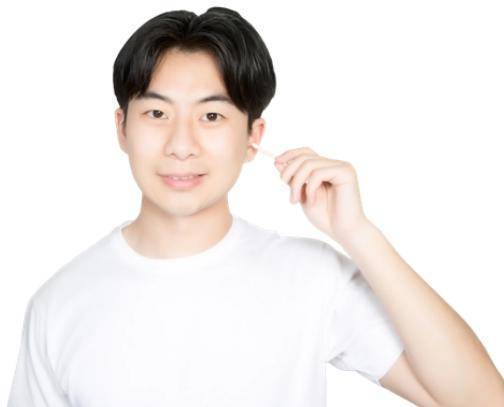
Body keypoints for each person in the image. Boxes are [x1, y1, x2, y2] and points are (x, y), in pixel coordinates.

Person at [7, 6, 504, 407]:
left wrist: (359, 234)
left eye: (212, 116)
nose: (181, 145)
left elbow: (481, 399)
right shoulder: (59, 305)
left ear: (253, 137)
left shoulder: (312, 278)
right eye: (156, 113)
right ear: (122, 128)